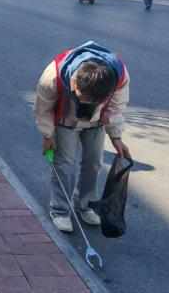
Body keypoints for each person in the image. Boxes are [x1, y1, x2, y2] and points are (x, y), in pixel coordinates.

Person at [33, 41, 131, 233]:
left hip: (96, 123)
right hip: (65, 122)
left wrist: (116, 136)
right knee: (64, 164)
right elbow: (43, 107)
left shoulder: (118, 75)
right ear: (74, 83)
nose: (85, 104)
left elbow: (115, 107)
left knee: (94, 163)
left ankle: (85, 205)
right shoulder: (54, 73)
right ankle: (60, 210)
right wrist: (47, 135)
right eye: (81, 98)